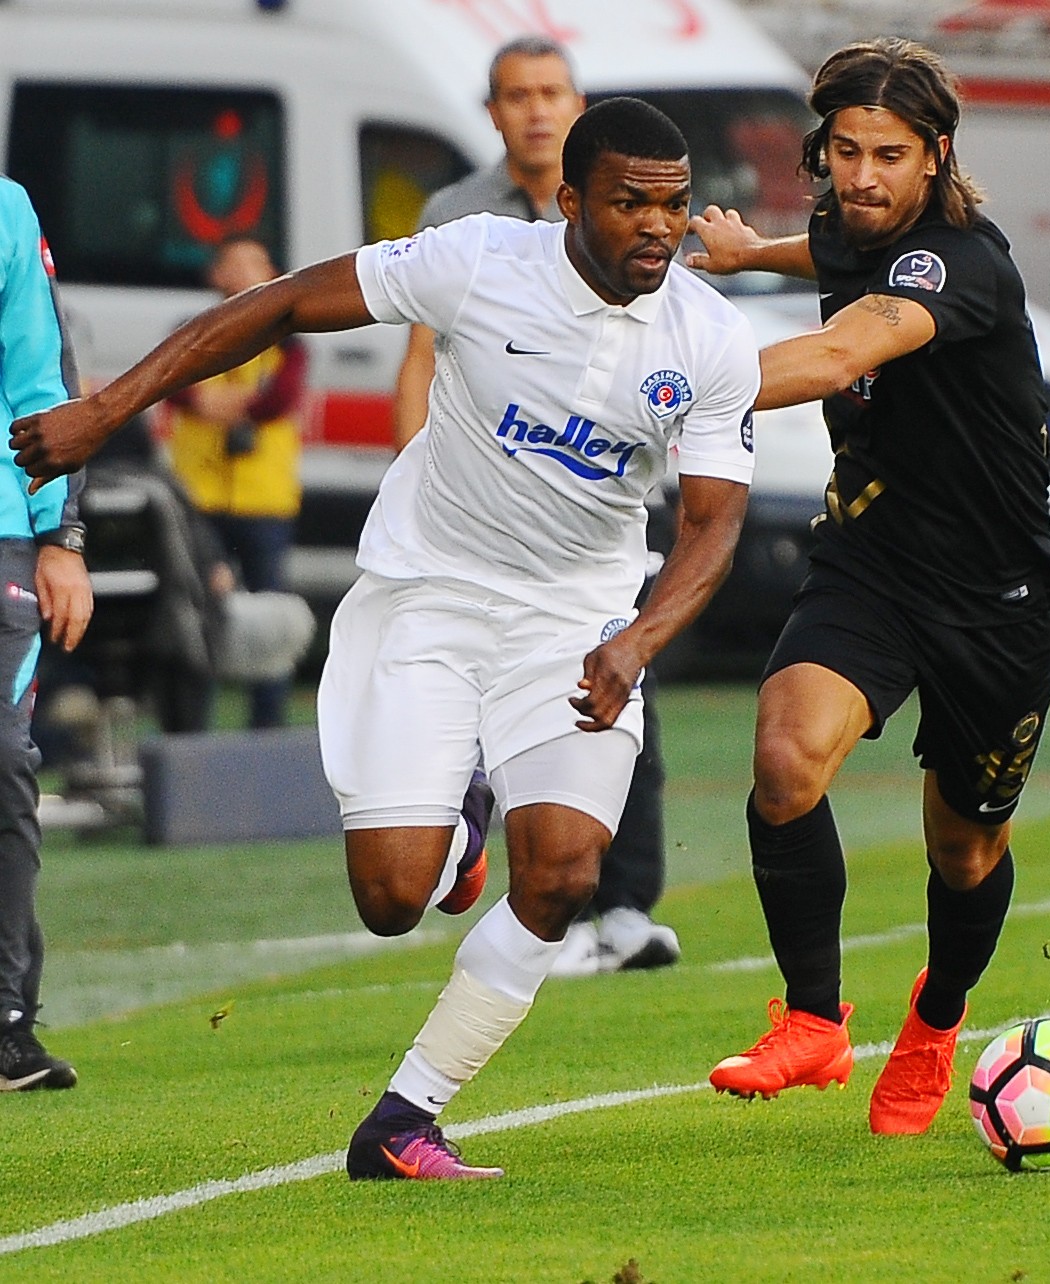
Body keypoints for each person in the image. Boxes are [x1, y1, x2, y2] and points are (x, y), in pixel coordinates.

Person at [11, 98, 758, 1175]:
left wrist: (637, 640)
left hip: (575, 619)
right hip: (431, 594)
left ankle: (405, 1118)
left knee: (563, 875)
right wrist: (106, 411)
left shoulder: (709, 338)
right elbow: (279, 305)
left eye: (674, 205)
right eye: (629, 202)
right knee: (390, 900)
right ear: (568, 202)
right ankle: (463, 811)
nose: (658, 226)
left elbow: (713, 526)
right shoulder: (476, 259)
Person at [687, 37, 1050, 1134]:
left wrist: (668, 391)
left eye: (888, 155)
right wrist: (745, 252)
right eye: (845, 150)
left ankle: (935, 1021)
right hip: (872, 561)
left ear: (935, 154)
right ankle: (813, 1022)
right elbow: (826, 249)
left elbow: (840, 350)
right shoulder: (850, 226)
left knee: (964, 850)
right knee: (783, 760)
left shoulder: (958, 263)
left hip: (994, 599)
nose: (862, 176)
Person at [395, 36, 681, 978]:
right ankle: (539, 899)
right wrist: (418, 477)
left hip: (603, 500)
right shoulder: (456, 214)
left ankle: (627, 904)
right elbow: (422, 357)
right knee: (493, 702)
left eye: (551, 91)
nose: (536, 110)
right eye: (517, 95)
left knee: (621, 686)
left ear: (578, 102)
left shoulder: (629, 202)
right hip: (486, 507)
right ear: (492, 112)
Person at [0, 177, 94, 1091]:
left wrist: (61, 538)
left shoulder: (6, 210)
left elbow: (42, 379)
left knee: (1, 758)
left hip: (2, 536)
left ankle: (4, 1022)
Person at [164, 236, 306, 729]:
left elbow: (279, 399)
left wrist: (221, 404)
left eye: (256, 263)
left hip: (263, 499)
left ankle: (267, 731)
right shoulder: (189, 332)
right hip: (198, 497)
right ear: (215, 274)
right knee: (197, 615)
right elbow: (173, 386)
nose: (246, 273)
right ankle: (192, 728)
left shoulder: (289, 340)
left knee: (269, 614)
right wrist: (236, 403)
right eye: (235, 263)